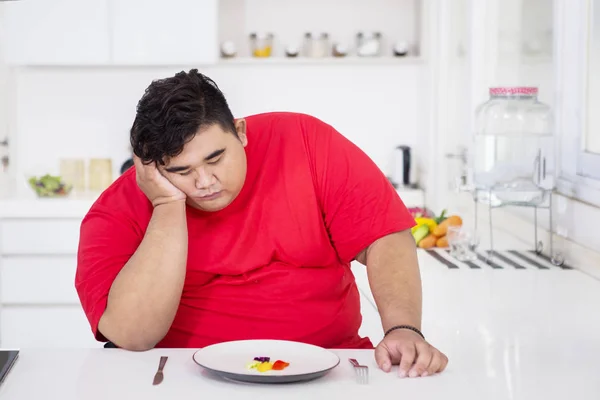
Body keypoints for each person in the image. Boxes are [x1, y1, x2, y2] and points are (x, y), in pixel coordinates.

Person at [75, 69, 448, 378]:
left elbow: (382, 234)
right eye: (181, 171)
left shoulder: (306, 141)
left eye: (216, 158)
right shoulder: (115, 211)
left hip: (328, 366)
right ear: (150, 168)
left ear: (240, 131)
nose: (205, 182)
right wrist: (167, 203)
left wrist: (403, 329)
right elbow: (131, 336)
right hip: (183, 376)